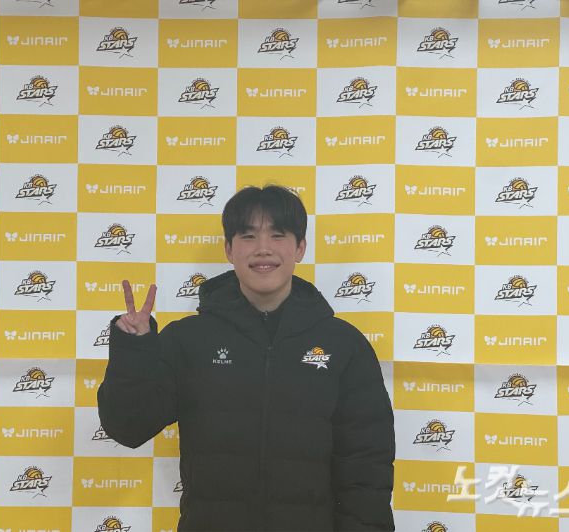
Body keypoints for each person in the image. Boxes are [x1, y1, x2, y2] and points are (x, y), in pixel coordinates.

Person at [98, 185, 395, 531]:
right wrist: (134, 348)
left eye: (278, 235)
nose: (263, 248)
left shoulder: (344, 345)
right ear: (229, 250)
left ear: (300, 248)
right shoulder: (188, 340)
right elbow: (128, 427)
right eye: (248, 236)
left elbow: (366, 468)